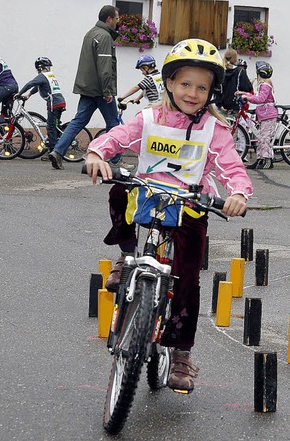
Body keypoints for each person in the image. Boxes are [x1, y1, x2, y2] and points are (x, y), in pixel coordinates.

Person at [84, 38, 253, 393]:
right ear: (170, 84)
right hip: (146, 196)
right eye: (185, 84)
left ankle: (181, 353)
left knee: (187, 281)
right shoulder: (149, 118)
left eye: (202, 87)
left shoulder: (214, 129)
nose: (193, 93)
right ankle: (127, 254)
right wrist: (97, 154)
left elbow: (231, 166)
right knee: (119, 189)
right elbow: (115, 139)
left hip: (189, 205)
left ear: (212, 92)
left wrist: (237, 193)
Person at [48, 5, 120, 170]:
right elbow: (105, 67)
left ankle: (58, 151)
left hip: (87, 88)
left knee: (78, 121)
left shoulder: (90, 33)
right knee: (113, 123)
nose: (117, 23)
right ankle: (116, 160)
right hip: (101, 90)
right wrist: (108, 91)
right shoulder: (104, 37)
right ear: (109, 19)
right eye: (116, 19)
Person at [16, 57, 67, 160]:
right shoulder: (50, 76)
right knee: (55, 126)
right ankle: (57, 145)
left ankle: (53, 153)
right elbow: (38, 86)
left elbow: (30, 84)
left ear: (39, 68)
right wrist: (29, 94)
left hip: (53, 104)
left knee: (51, 127)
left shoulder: (43, 76)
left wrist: (19, 93)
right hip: (60, 102)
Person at [235, 61, 277, 169]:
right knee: (261, 138)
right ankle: (260, 159)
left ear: (259, 74)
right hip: (264, 114)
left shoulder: (265, 85)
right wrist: (243, 94)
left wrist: (246, 97)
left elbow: (260, 99)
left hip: (268, 115)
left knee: (264, 138)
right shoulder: (263, 85)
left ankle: (267, 160)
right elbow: (256, 96)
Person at [216, 48, 253, 114]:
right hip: (236, 106)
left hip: (222, 107)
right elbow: (247, 88)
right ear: (235, 59)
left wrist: (219, 105)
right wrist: (250, 83)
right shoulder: (240, 71)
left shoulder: (220, 72)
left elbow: (217, 89)